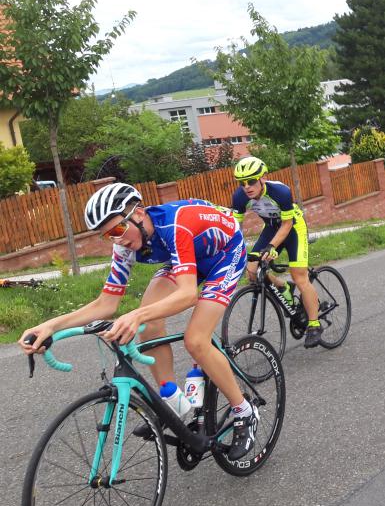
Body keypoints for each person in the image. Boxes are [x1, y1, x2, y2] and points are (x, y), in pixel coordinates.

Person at [18, 183, 258, 460]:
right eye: (108, 235)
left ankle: (244, 411)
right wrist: (51, 325)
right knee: (150, 321)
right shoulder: (124, 246)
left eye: (118, 229)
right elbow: (106, 304)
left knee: (195, 340)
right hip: (190, 255)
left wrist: (135, 315)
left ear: (139, 214)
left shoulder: (173, 226)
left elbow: (187, 295)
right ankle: (173, 403)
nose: (116, 240)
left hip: (225, 254)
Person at [230, 157, 322, 349]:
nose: (247, 187)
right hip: (271, 228)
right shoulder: (239, 197)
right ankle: (283, 287)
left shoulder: (280, 191)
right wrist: (234, 251)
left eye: (251, 181)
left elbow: (287, 224)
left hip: (294, 228)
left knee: (299, 277)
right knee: (252, 271)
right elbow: (236, 228)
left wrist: (271, 246)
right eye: (242, 182)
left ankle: (314, 324)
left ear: (263, 177)